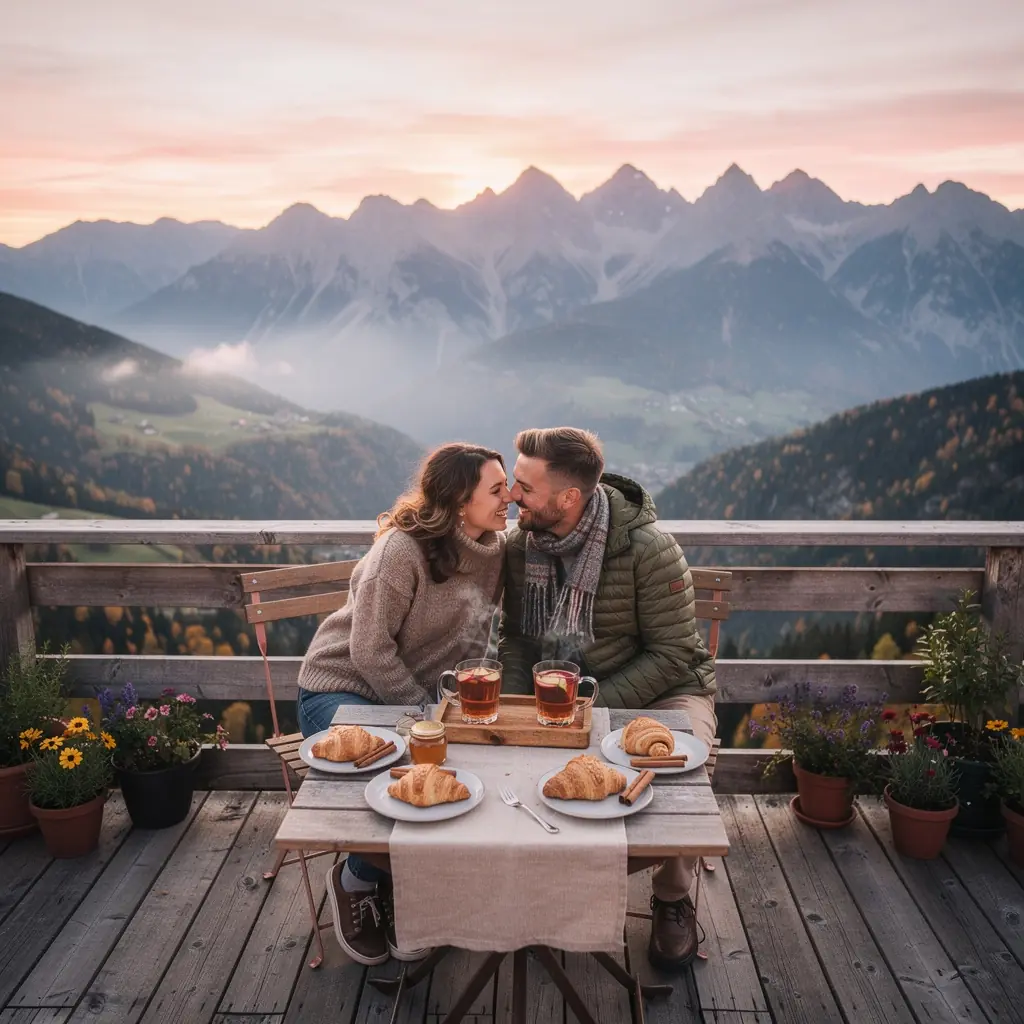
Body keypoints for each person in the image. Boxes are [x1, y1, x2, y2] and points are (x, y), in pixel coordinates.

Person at [498, 426, 716, 971]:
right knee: (507, 756)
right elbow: (519, 638)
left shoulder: (648, 549)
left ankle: (672, 897)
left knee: (682, 770)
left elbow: (672, 654)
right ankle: (534, 876)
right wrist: (522, 702)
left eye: (523, 486)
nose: (510, 496)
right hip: (565, 694)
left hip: (661, 692)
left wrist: (594, 711)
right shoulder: (523, 545)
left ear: (568, 498)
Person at [297, 442, 510, 966]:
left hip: (419, 700)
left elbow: (481, 634)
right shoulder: (400, 551)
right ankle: (356, 879)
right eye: (498, 489)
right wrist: (422, 715)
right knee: (406, 767)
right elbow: (368, 650)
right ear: (461, 501)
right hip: (341, 688)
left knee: (451, 775)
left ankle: (406, 881)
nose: (512, 500)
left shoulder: (497, 548)